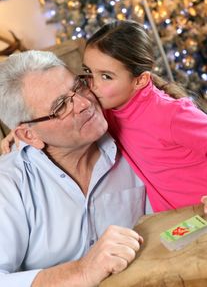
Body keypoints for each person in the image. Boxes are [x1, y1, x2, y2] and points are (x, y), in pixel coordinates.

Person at [0, 50, 152, 287]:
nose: (84, 103)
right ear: (29, 134)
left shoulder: (134, 135)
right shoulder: (8, 184)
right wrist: (81, 271)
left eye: (79, 85)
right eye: (61, 105)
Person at [81, 20, 207, 213]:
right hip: (178, 220)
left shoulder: (170, 113)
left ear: (140, 80)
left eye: (106, 76)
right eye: (88, 72)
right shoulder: (106, 110)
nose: (92, 85)